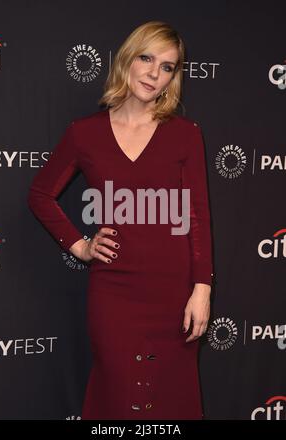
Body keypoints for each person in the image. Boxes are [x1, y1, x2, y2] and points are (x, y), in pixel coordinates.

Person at [27, 20, 214, 420]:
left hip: (174, 291)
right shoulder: (84, 134)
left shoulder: (185, 134)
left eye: (167, 66)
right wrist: (81, 246)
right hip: (113, 291)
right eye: (147, 58)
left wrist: (202, 289)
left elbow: (196, 215)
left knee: (173, 398)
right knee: (116, 396)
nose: (154, 73)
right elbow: (40, 194)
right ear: (127, 59)